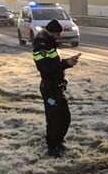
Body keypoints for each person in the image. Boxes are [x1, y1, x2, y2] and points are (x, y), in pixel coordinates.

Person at [32, 19, 78, 156]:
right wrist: (66, 64)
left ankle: (58, 142)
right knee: (54, 119)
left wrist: (67, 63)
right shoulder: (40, 45)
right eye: (58, 34)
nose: (59, 37)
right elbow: (46, 67)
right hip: (49, 88)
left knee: (65, 117)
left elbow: (54, 63)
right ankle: (52, 147)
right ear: (52, 33)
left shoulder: (49, 43)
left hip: (56, 86)